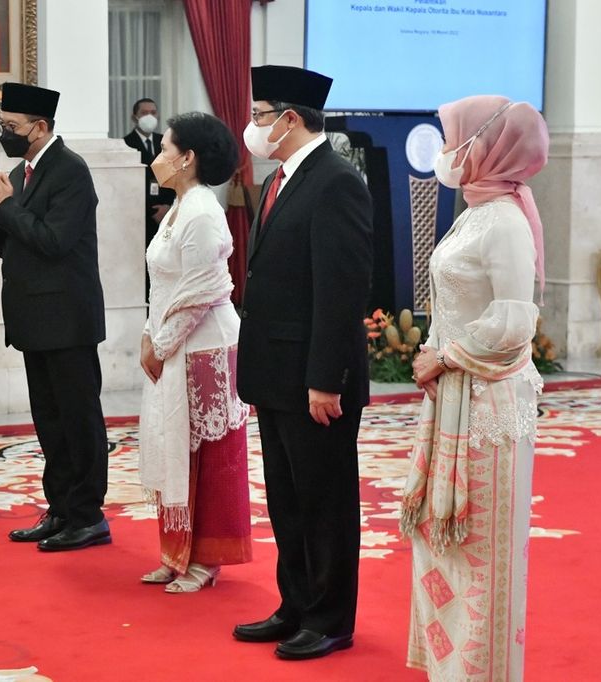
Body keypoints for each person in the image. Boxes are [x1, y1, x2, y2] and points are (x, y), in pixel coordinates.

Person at [401, 95, 548, 681]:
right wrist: (438, 359)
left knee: (480, 548)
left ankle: (479, 671)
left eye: (452, 137)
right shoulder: (475, 210)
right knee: (444, 542)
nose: (443, 151)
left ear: (486, 146)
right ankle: (449, 666)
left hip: (487, 405)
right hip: (454, 397)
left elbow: (515, 324)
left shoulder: (507, 221)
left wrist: (444, 357)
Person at [233, 65, 373, 660]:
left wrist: (325, 379)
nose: (253, 126)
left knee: (324, 503)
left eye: (261, 115)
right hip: (276, 373)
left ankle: (331, 617)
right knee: (288, 500)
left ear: (291, 118)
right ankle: (295, 604)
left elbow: (340, 291)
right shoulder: (279, 180)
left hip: (314, 380)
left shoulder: (336, 181)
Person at [0, 83, 111, 552]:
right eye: (1, 126)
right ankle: (60, 509)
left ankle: (88, 516)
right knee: (49, 421)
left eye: (11, 127)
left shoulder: (70, 171)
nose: (4, 134)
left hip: (67, 316)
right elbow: (11, 245)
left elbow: (54, 241)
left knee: (78, 419)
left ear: (42, 127)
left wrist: (4, 207)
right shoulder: (22, 170)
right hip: (34, 317)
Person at [138, 111, 251, 593]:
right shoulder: (181, 205)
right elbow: (165, 286)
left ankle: (206, 557)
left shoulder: (203, 210)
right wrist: (149, 334)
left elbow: (203, 290)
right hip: (173, 345)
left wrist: (160, 343)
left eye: (165, 150)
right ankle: (175, 551)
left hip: (205, 347)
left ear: (187, 159)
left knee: (209, 451)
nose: (159, 158)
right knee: (172, 443)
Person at [122, 98, 175, 299]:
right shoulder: (126, 145)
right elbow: (127, 187)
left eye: (153, 112)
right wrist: (151, 211)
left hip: (166, 215)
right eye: (144, 113)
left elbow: (175, 175)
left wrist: (168, 207)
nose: (149, 117)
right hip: (140, 218)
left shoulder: (167, 143)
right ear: (134, 117)